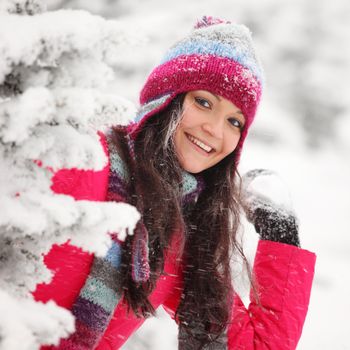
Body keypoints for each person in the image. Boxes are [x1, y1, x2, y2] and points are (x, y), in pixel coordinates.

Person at [33, 16, 316, 350]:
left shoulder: (183, 235)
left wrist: (282, 238)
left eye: (234, 121)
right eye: (204, 102)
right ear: (165, 99)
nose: (215, 129)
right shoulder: (80, 157)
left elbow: (257, 346)